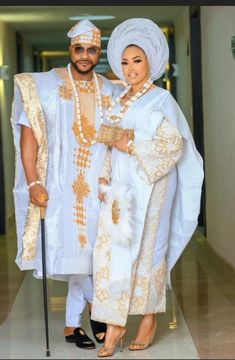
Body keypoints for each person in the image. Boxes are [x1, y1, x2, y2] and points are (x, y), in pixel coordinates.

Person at [90, 18, 204, 357]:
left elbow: (173, 145)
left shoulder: (162, 100)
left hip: (153, 187)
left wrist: (132, 144)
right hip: (119, 191)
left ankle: (148, 319)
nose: (129, 68)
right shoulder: (117, 100)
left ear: (150, 62)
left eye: (136, 60)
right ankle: (114, 323)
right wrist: (103, 176)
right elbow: (108, 141)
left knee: (148, 252)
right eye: (124, 62)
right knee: (112, 251)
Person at [10, 19, 123, 350]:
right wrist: (33, 182)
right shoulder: (43, 86)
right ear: (69, 49)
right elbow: (28, 134)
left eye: (91, 49)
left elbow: (119, 139)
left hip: (101, 188)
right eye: (79, 49)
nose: (85, 55)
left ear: (98, 51)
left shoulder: (111, 91)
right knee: (75, 255)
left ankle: (73, 326)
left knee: (94, 258)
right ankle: (99, 316)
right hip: (60, 186)